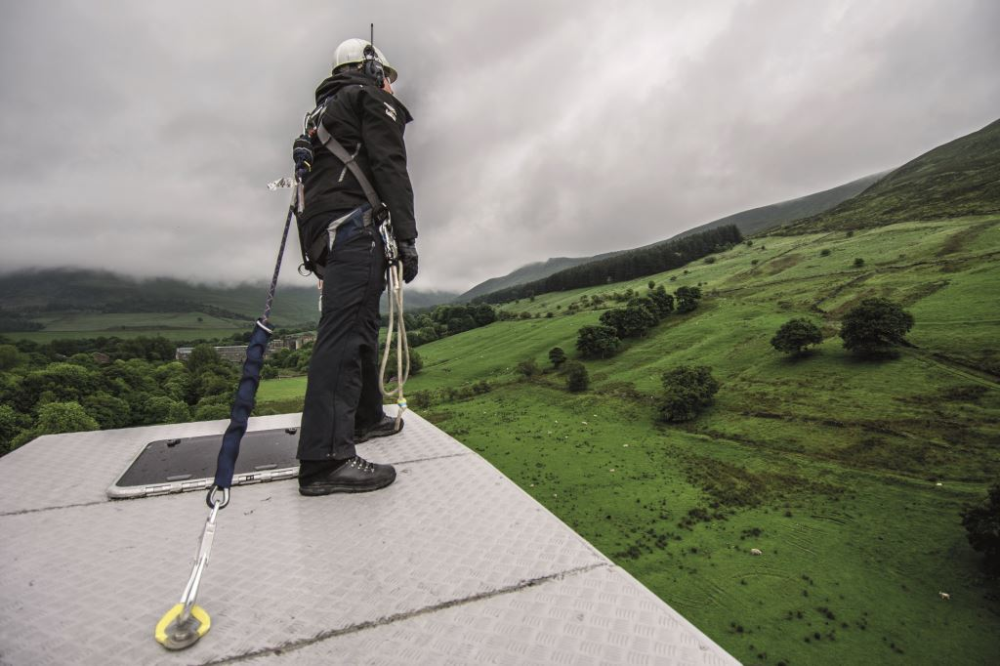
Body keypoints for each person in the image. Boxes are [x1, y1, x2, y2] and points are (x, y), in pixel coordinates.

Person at [293, 38, 418, 496]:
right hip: (352, 228)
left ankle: (365, 418)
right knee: (345, 335)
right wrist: (407, 236)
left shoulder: (323, 114)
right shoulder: (367, 99)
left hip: (327, 232)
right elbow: (390, 165)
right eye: (386, 74)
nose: (389, 83)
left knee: (360, 325)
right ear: (368, 66)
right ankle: (325, 461)